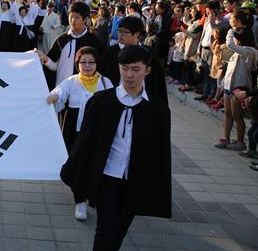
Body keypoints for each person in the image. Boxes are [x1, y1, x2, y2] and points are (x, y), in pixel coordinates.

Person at [60, 45, 171, 251]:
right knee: (106, 228)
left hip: (135, 180)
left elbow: (160, 153)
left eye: (136, 69)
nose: (129, 75)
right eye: (124, 68)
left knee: (120, 230)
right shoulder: (102, 102)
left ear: (147, 70)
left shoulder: (157, 109)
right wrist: (74, 170)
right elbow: (86, 141)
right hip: (107, 177)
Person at [46, 46, 113, 221]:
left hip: (97, 131)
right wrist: (53, 97)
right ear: (77, 64)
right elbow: (59, 92)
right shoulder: (71, 81)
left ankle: (94, 194)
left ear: (97, 63)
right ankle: (80, 201)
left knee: (96, 163)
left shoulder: (106, 83)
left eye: (91, 62)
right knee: (79, 165)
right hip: (74, 130)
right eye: (83, 62)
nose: (87, 65)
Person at [100, 16, 168, 104]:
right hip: (115, 101)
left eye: (125, 32)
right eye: (119, 31)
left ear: (137, 34)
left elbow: (157, 80)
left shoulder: (148, 53)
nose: (120, 34)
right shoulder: (110, 53)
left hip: (142, 101)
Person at [37, 2, 104, 90]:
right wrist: (45, 59)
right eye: (71, 16)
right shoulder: (62, 40)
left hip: (83, 92)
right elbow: (55, 67)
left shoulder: (93, 42)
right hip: (61, 91)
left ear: (85, 19)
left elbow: (100, 70)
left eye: (77, 17)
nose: (73, 20)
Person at [215, 25, 257, 150]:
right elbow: (229, 69)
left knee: (238, 116)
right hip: (229, 86)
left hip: (239, 87)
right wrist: (222, 86)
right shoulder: (239, 50)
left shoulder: (249, 51)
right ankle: (226, 138)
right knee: (228, 114)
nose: (235, 39)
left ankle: (240, 141)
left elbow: (230, 44)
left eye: (237, 36)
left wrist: (230, 31)